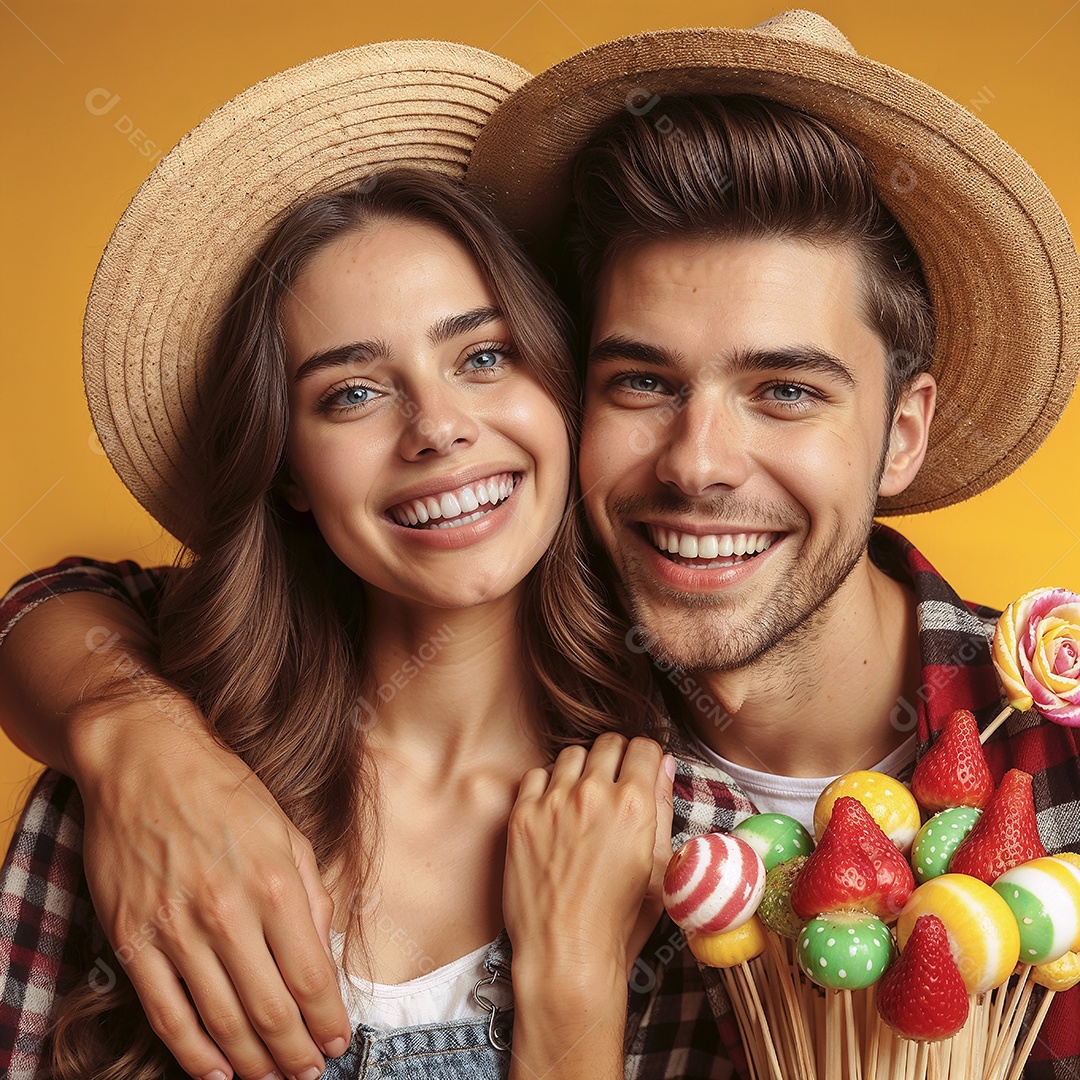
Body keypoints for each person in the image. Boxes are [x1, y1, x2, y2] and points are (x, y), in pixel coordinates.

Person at [4, 9, 1080, 1079]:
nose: (697, 464)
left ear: (902, 432)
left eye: (786, 390)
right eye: (643, 382)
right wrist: (128, 735)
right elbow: (72, 608)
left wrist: (571, 1001)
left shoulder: (687, 850)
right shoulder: (154, 785)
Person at [0, 41, 685, 1080]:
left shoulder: (696, 831)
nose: (438, 429)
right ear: (286, 470)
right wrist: (124, 733)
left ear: (563, 385)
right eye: (352, 393)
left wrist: (575, 995)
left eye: (484, 356)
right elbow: (41, 612)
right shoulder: (145, 806)